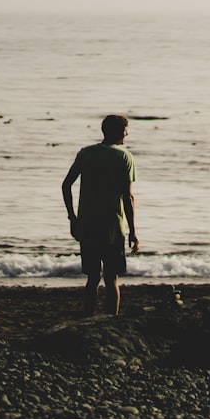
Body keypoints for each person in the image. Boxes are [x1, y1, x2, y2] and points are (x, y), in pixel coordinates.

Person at [62, 114, 139, 315]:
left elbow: (66, 185)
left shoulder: (86, 153)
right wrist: (133, 231)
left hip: (87, 226)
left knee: (92, 278)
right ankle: (110, 321)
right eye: (125, 130)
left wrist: (72, 217)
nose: (127, 134)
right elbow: (128, 198)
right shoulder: (124, 157)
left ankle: (88, 318)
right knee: (111, 278)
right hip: (112, 227)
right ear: (116, 132)